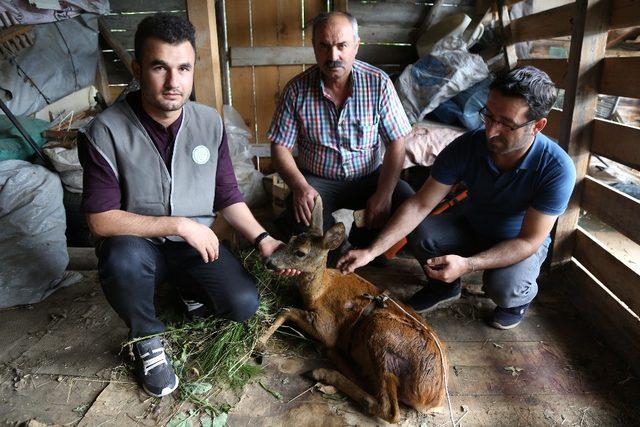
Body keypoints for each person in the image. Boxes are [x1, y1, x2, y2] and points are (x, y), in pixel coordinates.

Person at [78, 13, 295, 398]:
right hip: (136, 245)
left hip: (193, 246)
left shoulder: (209, 123)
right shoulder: (106, 130)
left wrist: (263, 239)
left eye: (183, 68)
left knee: (242, 304)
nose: (173, 82)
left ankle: (185, 289)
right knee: (121, 261)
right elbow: (100, 220)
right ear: (138, 68)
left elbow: (227, 195)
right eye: (160, 67)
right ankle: (146, 338)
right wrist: (178, 224)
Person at [338, 66, 576, 330]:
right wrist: (371, 252)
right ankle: (444, 286)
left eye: (506, 124)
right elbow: (420, 204)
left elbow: (529, 240)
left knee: (504, 287)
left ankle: (516, 301)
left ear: (538, 126)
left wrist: (468, 264)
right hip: (472, 226)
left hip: (516, 240)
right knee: (423, 231)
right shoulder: (466, 146)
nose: (491, 131)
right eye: (488, 115)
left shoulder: (556, 168)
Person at [267, 11, 414, 261]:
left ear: (356, 46)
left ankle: (366, 250)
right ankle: (347, 255)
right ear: (314, 48)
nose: (333, 56)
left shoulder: (378, 83)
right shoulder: (297, 90)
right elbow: (279, 147)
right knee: (302, 218)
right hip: (318, 180)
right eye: (323, 46)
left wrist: (385, 192)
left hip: (369, 176)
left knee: (408, 203)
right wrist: (300, 186)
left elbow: (397, 142)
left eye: (341, 46)